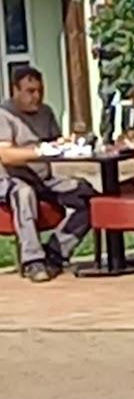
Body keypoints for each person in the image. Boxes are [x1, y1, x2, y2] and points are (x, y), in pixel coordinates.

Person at [0, 66, 94, 283]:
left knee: (87, 196)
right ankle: (32, 260)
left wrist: (66, 144)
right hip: (9, 180)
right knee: (24, 193)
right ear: (15, 90)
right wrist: (40, 151)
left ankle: (56, 251)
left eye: (40, 91)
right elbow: (5, 155)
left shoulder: (46, 112)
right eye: (30, 91)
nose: (36, 97)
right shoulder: (4, 115)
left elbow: (54, 144)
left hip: (44, 179)